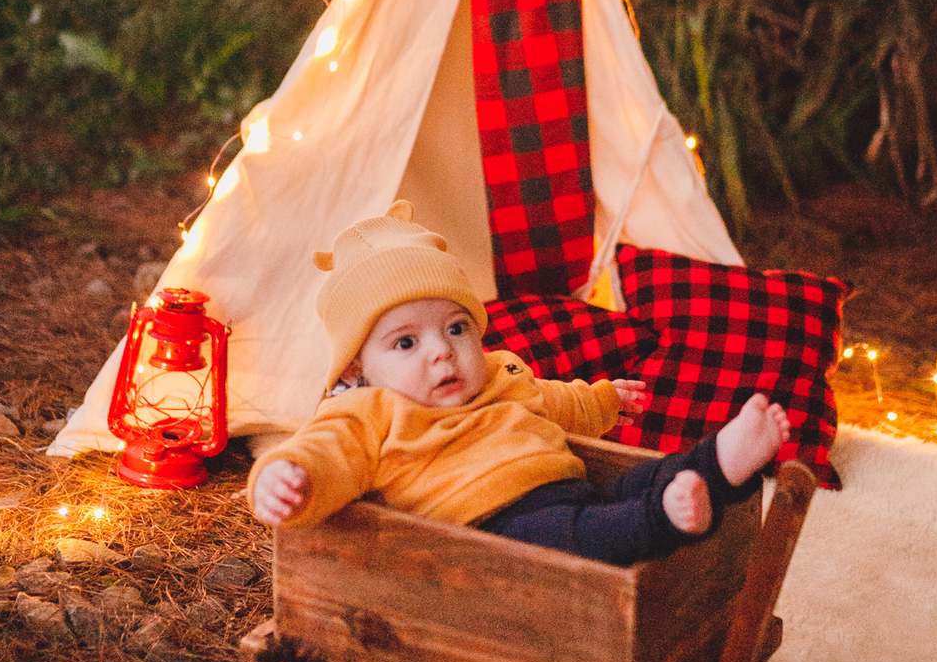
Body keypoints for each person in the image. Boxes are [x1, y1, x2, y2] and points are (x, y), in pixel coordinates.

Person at [247, 203, 787, 566]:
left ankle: (719, 461)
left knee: (640, 476)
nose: (442, 350)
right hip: (493, 536)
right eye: (406, 343)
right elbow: (324, 453)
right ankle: (664, 516)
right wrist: (285, 478)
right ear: (355, 369)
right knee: (587, 537)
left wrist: (602, 400)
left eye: (456, 328)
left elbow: (555, 401)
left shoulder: (498, 373)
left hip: (569, 485)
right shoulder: (366, 412)